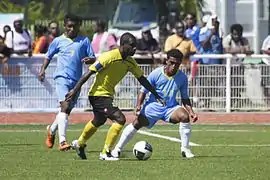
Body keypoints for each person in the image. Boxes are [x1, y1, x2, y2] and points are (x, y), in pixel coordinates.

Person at [66, 32, 164, 160]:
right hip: (98, 95)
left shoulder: (130, 62)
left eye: (135, 46)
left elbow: (142, 79)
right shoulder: (109, 56)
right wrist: (74, 90)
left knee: (98, 120)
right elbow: (88, 73)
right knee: (120, 119)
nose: (135, 48)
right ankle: (105, 153)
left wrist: (156, 94)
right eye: (132, 46)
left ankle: (80, 143)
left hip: (107, 96)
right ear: (122, 45)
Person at [111, 49, 198, 159]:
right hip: (152, 107)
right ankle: (117, 149)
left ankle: (185, 149)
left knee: (184, 116)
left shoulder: (182, 78)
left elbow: (185, 98)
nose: (174, 66)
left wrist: (191, 112)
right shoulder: (156, 73)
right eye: (172, 63)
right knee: (137, 123)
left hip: (170, 108)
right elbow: (143, 91)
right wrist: (138, 106)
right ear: (167, 61)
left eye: (177, 64)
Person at [38, 14, 96, 151]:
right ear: (65, 26)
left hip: (77, 81)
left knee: (66, 111)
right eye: (69, 26)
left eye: (74, 26)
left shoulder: (84, 41)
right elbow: (48, 56)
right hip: (62, 78)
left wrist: (90, 60)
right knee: (64, 105)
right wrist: (42, 70)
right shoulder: (58, 41)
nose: (71, 29)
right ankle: (62, 141)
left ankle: (51, 130)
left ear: (79, 26)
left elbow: (93, 57)